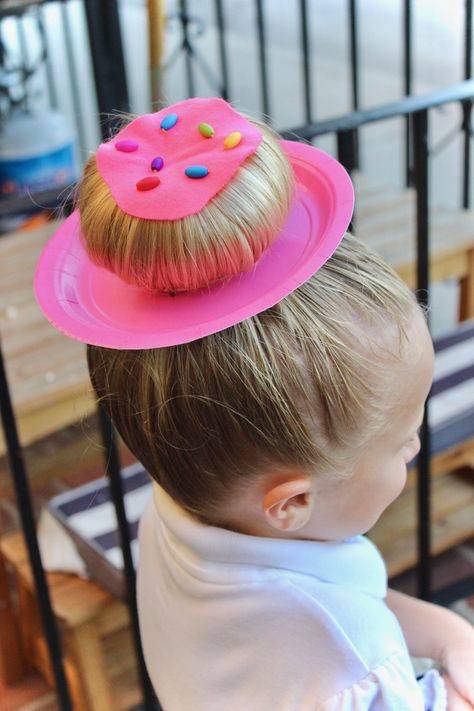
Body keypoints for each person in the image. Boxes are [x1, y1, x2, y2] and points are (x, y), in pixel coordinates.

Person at [35, 97, 474, 710]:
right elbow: (339, 629)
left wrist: (451, 634)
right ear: (292, 503)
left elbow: (333, 597)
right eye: (402, 442)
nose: (417, 445)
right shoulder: (354, 673)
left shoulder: (185, 510)